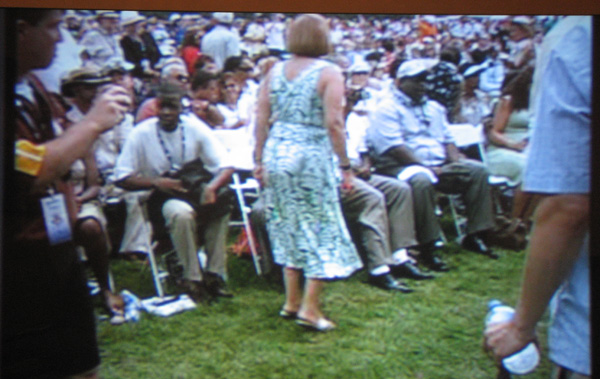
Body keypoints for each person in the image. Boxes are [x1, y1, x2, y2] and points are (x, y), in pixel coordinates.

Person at [2, 8, 130, 379]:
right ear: (20, 31)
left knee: (82, 371)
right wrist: (92, 124)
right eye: (54, 26)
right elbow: (30, 173)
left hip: (58, 255)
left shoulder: (33, 85)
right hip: (15, 271)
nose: (61, 38)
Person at [485, 16, 591, 379]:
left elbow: (569, 204)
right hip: (512, 149)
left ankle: (515, 223)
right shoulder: (511, 96)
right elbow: (496, 132)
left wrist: (522, 325)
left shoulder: (576, 37)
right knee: (526, 169)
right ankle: (514, 222)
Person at [253, 14, 362, 331]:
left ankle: (291, 301)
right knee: (321, 227)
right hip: (309, 155)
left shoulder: (274, 71)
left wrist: (259, 160)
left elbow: (261, 118)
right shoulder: (329, 72)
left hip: (277, 152)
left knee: (286, 224)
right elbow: (334, 123)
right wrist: (345, 165)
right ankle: (310, 309)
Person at [367, 59, 498, 266]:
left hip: (437, 163)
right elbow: (394, 147)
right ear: (400, 82)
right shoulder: (387, 108)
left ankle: (475, 234)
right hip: (400, 166)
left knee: (477, 170)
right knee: (421, 180)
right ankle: (428, 244)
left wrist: (455, 161)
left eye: (424, 81)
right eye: (416, 81)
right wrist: (425, 167)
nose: (422, 85)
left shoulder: (435, 108)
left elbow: (448, 139)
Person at [114, 84, 235, 303]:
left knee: (221, 206)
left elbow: (226, 165)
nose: (167, 112)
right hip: (160, 197)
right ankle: (192, 278)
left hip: (193, 189)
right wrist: (156, 182)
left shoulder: (193, 127)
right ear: (155, 106)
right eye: (162, 106)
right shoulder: (141, 133)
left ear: (182, 107)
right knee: (181, 214)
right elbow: (121, 177)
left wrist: (211, 187)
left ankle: (214, 275)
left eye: (172, 107)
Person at [60, 67, 126, 323]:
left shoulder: (85, 137)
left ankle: (105, 288)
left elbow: (93, 184)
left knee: (90, 226)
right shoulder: (58, 131)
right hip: (51, 201)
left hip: (81, 197)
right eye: (90, 87)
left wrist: (79, 199)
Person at [485, 66, 533, 185]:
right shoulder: (508, 101)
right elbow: (494, 132)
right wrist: (513, 144)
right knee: (528, 167)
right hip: (503, 150)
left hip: (530, 150)